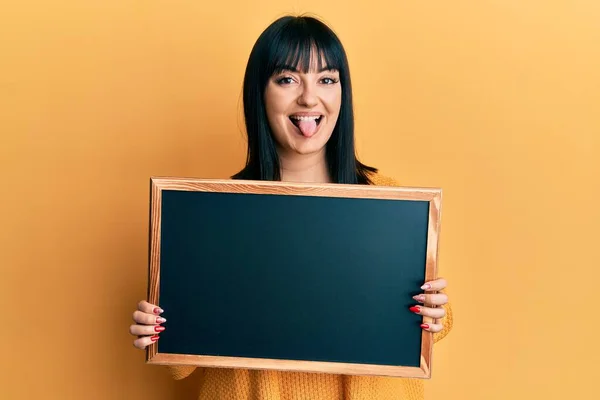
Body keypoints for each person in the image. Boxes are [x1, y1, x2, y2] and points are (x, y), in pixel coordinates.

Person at [129, 14, 453, 400]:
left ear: (342, 94)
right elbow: (183, 361)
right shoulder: (214, 209)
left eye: (327, 79)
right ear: (259, 93)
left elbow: (434, 321)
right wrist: (158, 327)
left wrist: (434, 313)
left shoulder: (387, 198)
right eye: (287, 79)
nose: (309, 98)